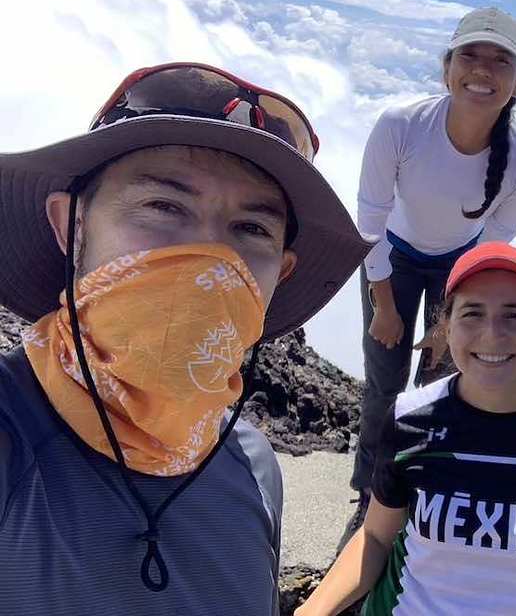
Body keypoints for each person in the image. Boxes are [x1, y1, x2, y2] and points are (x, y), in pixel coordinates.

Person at [0, 62, 370, 614]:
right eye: (163, 207)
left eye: (252, 229)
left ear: (280, 275)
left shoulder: (254, 466)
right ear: (70, 227)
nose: (209, 257)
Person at [298, 242, 516, 616]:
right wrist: (312, 611)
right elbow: (377, 536)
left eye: (514, 315)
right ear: (445, 326)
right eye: (472, 313)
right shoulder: (411, 418)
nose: (492, 334)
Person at [347, 6, 516, 541]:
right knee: (385, 385)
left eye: (500, 61)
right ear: (446, 68)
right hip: (387, 260)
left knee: (439, 384)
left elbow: (490, 248)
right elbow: (368, 224)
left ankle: (414, 487)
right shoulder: (401, 124)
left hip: (457, 271)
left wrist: (446, 320)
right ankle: (368, 490)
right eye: (470, 56)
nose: (482, 70)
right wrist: (385, 307)